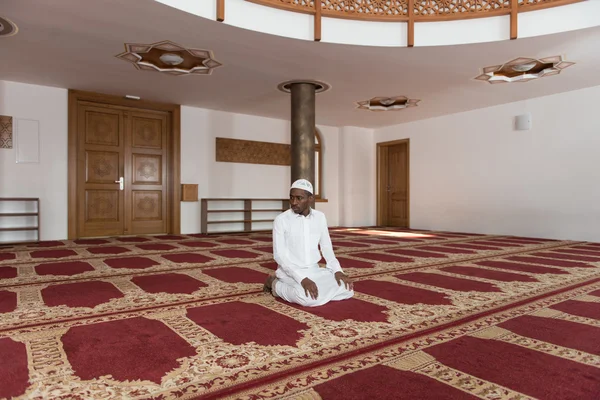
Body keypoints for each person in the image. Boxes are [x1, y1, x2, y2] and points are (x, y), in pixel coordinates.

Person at [263, 178, 354, 307]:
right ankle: (274, 284)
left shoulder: (320, 217)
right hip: (290, 273)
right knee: (307, 298)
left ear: (310, 199)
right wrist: (302, 279)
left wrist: (337, 270)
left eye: (299, 198)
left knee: (347, 289)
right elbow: (279, 256)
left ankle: (317, 293)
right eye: (291, 197)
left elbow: (327, 248)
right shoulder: (281, 220)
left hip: (314, 270)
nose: (294, 202)